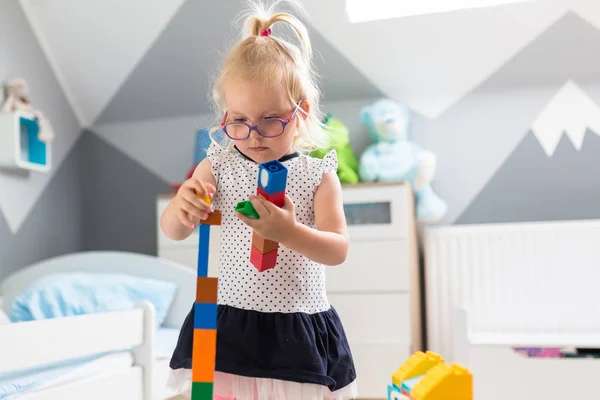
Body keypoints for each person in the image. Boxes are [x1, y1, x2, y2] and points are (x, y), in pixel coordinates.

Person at [160, 1, 357, 399]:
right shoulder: (218, 165)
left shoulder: (319, 176)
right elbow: (174, 229)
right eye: (238, 121)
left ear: (299, 114)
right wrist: (182, 208)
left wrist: (289, 231)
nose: (252, 134)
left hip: (295, 328)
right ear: (225, 117)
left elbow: (337, 250)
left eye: (270, 120)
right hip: (231, 325)